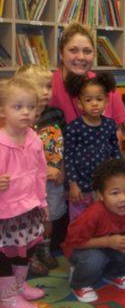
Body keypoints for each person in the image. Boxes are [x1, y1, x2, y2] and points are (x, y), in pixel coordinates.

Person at [62, 158, 125, 303]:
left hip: (109, 245)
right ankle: (80, 283)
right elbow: (75, 243)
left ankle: (113, 274)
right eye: (115, 193)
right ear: (100, 195)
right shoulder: (92, 215)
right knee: (95, 259)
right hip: (80, 248)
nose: (123, 198)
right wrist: (108, 242)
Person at [15, 64, 67, 276]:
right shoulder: (22, 120)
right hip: (29, 184)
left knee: (49, 217)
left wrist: (61, 170)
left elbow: (64, 146)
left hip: (54, 182)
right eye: (39, 87)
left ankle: (45, 249)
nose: (46, 91)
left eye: (48, 86)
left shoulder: (56, 114)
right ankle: (31, 255)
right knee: (29, 220)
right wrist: (44, 173)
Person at [0, 78, 47, 307]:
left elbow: (40, 172)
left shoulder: (34, 138)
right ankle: (7, 296)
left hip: (29, 207)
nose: (26, 112)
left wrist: (43, 202)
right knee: (5, 254)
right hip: (4, 212)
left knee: (25, 248)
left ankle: (19, 286)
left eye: (31, 107)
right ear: (3, 110)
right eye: (18, 107)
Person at [49, 22, 125, 135]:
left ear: (94, 54)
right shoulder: (47, 87)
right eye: (73, 50)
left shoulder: (105, 86)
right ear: (61, 53)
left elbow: (117, 135)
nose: (81, 57)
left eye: (87, 51)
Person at [64, 73, 122, 220]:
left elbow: (115, 152)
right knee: (80, 221)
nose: (94, 103)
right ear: (79, 103)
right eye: (88, 100)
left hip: (103, 184)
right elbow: (68, 157)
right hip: (81, 185)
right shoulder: (74, 127)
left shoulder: (109, 125)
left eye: (99, 99)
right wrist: (73, 184)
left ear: (107, 101)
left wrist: (117, 178)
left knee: (101, 218)